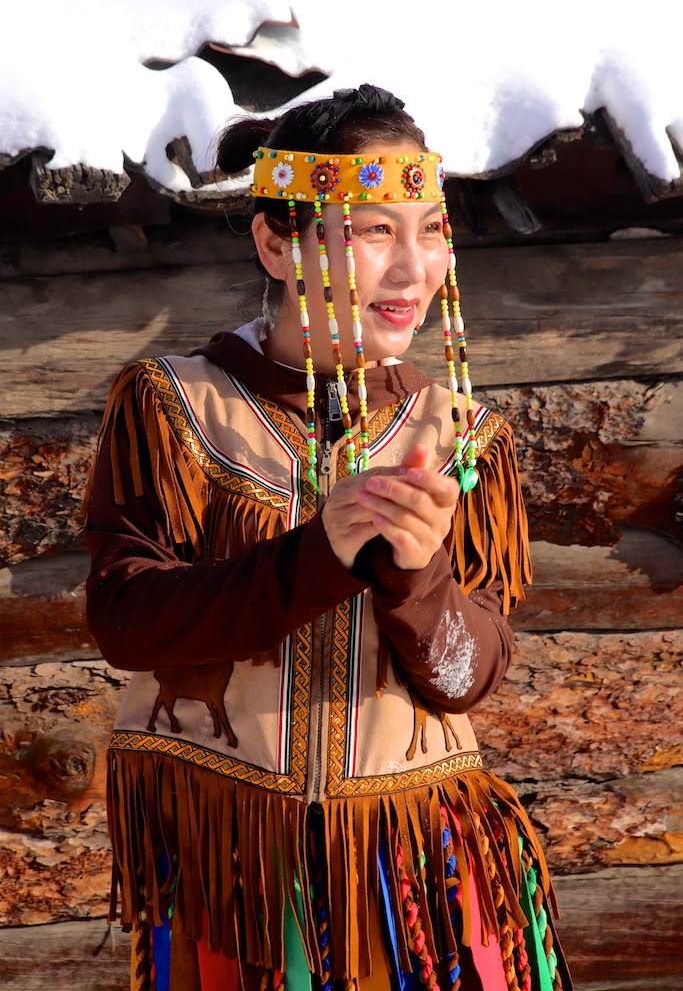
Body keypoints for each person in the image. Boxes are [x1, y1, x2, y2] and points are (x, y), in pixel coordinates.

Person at [84, 84, 573, 991]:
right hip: (238, 867)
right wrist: (314, 557)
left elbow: (467, 679)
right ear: (276, 244)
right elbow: (124, 621)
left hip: (414, 869)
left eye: (430, 230)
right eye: (374, 231)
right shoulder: (176, 407)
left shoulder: (462, 438)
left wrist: (417, 579)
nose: (413, 269)